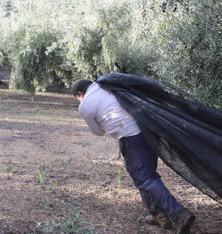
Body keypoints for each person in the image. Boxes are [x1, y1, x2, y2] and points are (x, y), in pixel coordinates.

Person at [72, 78, 195, 233]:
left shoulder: (85, 104)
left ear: (80, 94)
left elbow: (98, 132)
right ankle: (159, 215)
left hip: (131, 137)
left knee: (145, 178)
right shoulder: (107, 85)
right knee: (146, 177)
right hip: (147, 130)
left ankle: (179, 214)